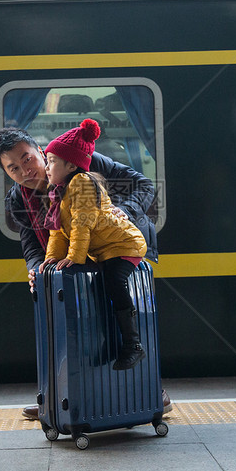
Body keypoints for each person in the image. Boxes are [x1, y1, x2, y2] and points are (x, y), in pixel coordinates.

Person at [0, 126, 168, 419]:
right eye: (13, 168)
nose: (24, 170)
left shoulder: (83, 161)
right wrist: (37, 271)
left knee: (119, 310)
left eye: (27, 159)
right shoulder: (18, 199)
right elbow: (32, 246)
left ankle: (151, 391)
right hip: (76, 257)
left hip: (119, 245)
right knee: (68, 323)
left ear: (41, 152)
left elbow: (144, 186)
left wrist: (123, 209)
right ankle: (61, 397)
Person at [38, 119, 149, 371]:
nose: (47, 166)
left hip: (124, 245)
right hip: (105, 250)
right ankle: (111, 344)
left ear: (71, 164)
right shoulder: (60, 191)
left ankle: (133, 345)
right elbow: (57, 231)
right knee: (100, 290)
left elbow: (82, 224)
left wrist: (75, 258)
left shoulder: (82, 183)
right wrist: (51, 258)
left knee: (113, 281)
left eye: (52, 161)